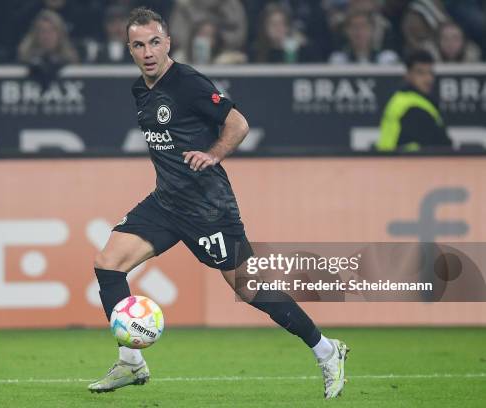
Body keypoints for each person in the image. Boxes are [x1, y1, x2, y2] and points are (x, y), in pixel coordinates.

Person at [87, 7, 349, 399]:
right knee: (108, 262)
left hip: (209, 208)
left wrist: (213, 154)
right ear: (129, 49)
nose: (148, 52)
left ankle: (327, 350)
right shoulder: (140, 89)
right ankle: (131, 362)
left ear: (168, 42)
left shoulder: (188, 82)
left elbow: (238, 123)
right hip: (167, 202)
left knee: (249, 288)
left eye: (155, 42)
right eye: (139, 45)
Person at [376, 50, 451, 151]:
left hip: (392, 162)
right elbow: (440, 146)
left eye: (430, 73)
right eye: (420, 73)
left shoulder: (402, 99)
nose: (428, 78)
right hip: (403, 163)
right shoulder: (413, 108)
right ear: (408, 75)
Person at [17, 9, 78, 77]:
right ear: (35, 34)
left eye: (52, 31)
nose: (47, 36)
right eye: (43, 31)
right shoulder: (24, 60)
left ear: (60, 34)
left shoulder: (70, 61)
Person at [329, 10, 399, 64]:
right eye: (354, 26)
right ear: (346, 31)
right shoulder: (338, 60)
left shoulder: (387, 59)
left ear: (372, 30)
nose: (358, 31)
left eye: (363, 26)